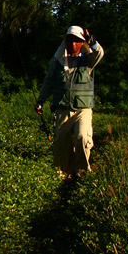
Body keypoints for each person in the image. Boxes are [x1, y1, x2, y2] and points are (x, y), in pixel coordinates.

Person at [36, 25, 105, 179]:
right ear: (65, 42)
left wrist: (93, 42)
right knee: (61, 145)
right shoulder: (58, 62)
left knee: (82, 137)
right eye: (69, 41)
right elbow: (48, 82)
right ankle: (63, 177)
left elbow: (100, 53)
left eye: (76, 41)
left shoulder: (88, 61)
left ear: (82, 43)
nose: (72, 44)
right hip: (62, 110)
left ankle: (82, 171)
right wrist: (40, 101)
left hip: (83, 109)